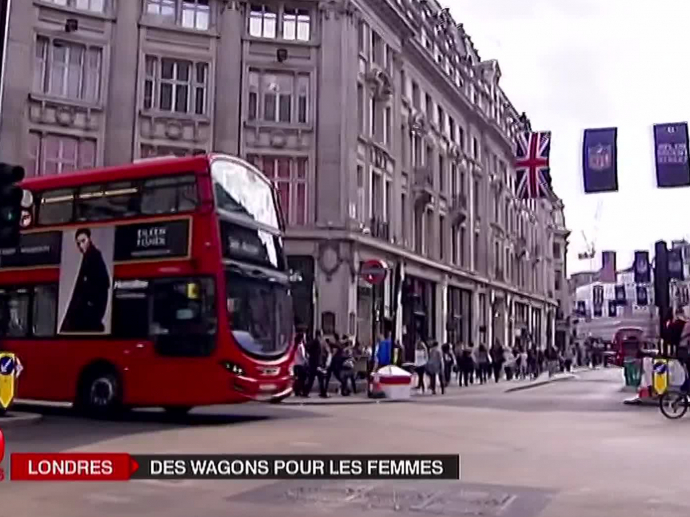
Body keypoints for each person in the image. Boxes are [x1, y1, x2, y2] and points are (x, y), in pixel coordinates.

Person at [60, 228, 111, 333]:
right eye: (78, 243)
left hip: (87, 312)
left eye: (83, 241)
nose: (81, 246)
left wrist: (90, 302)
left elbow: (104, 282)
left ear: (89, 239)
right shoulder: (88, 256)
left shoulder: (94, 256)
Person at [304, 330, 323, 396]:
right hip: (315, 364)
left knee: (317, 378)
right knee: (312, 379)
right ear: (319, 334)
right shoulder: (316, 341)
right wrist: (311, 355)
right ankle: (306, 392)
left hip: (315, 363)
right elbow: (307, 347)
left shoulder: (317, 341)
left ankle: (322, 393)